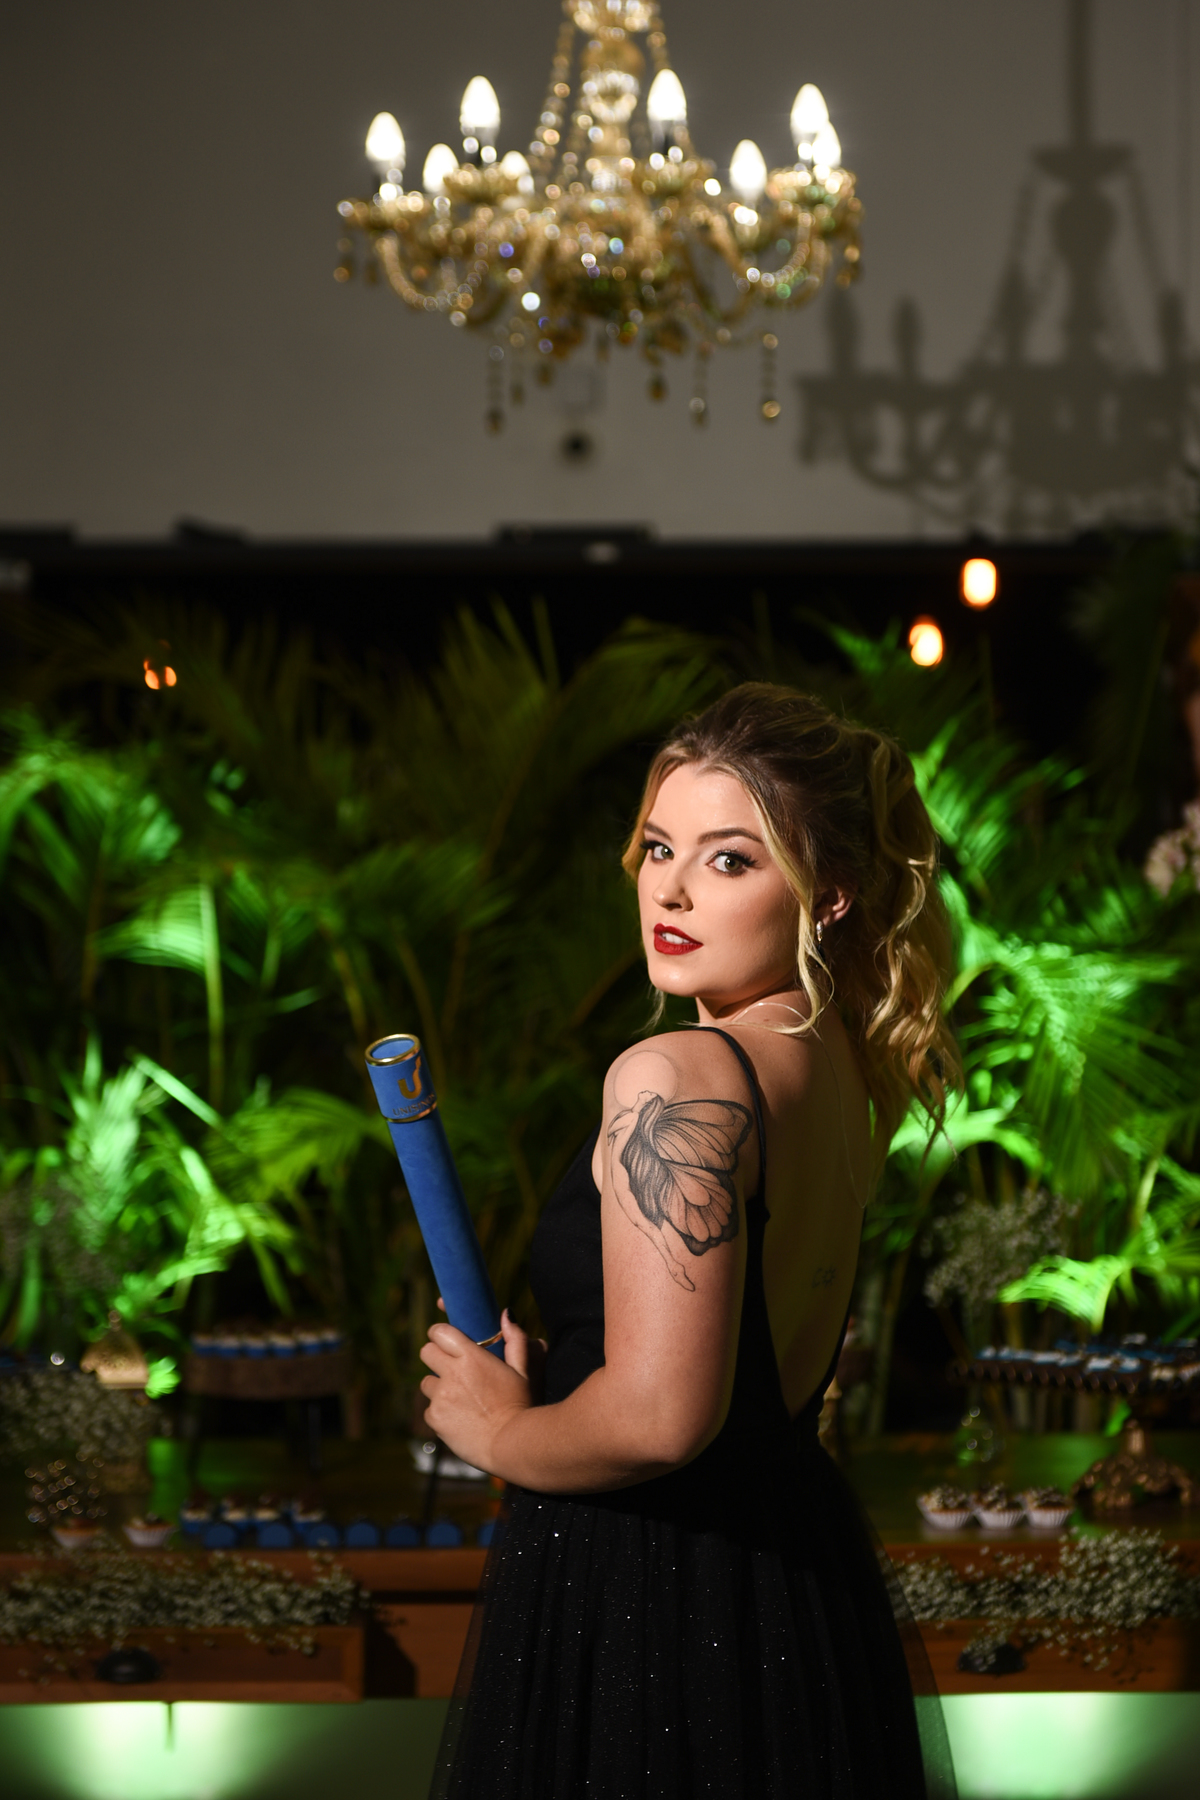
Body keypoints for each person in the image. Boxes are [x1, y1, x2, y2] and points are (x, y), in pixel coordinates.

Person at [421, 683, 960, 1800]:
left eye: (730, 860)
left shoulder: (675, 1073)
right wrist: (567, 1389)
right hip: (791, 1583)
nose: (669, 888)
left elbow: (664, 1417)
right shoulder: (843, 1070)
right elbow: (739, 1378)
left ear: (828, 896)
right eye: (660, 847)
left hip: (655, 1596)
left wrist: (504, 1431)